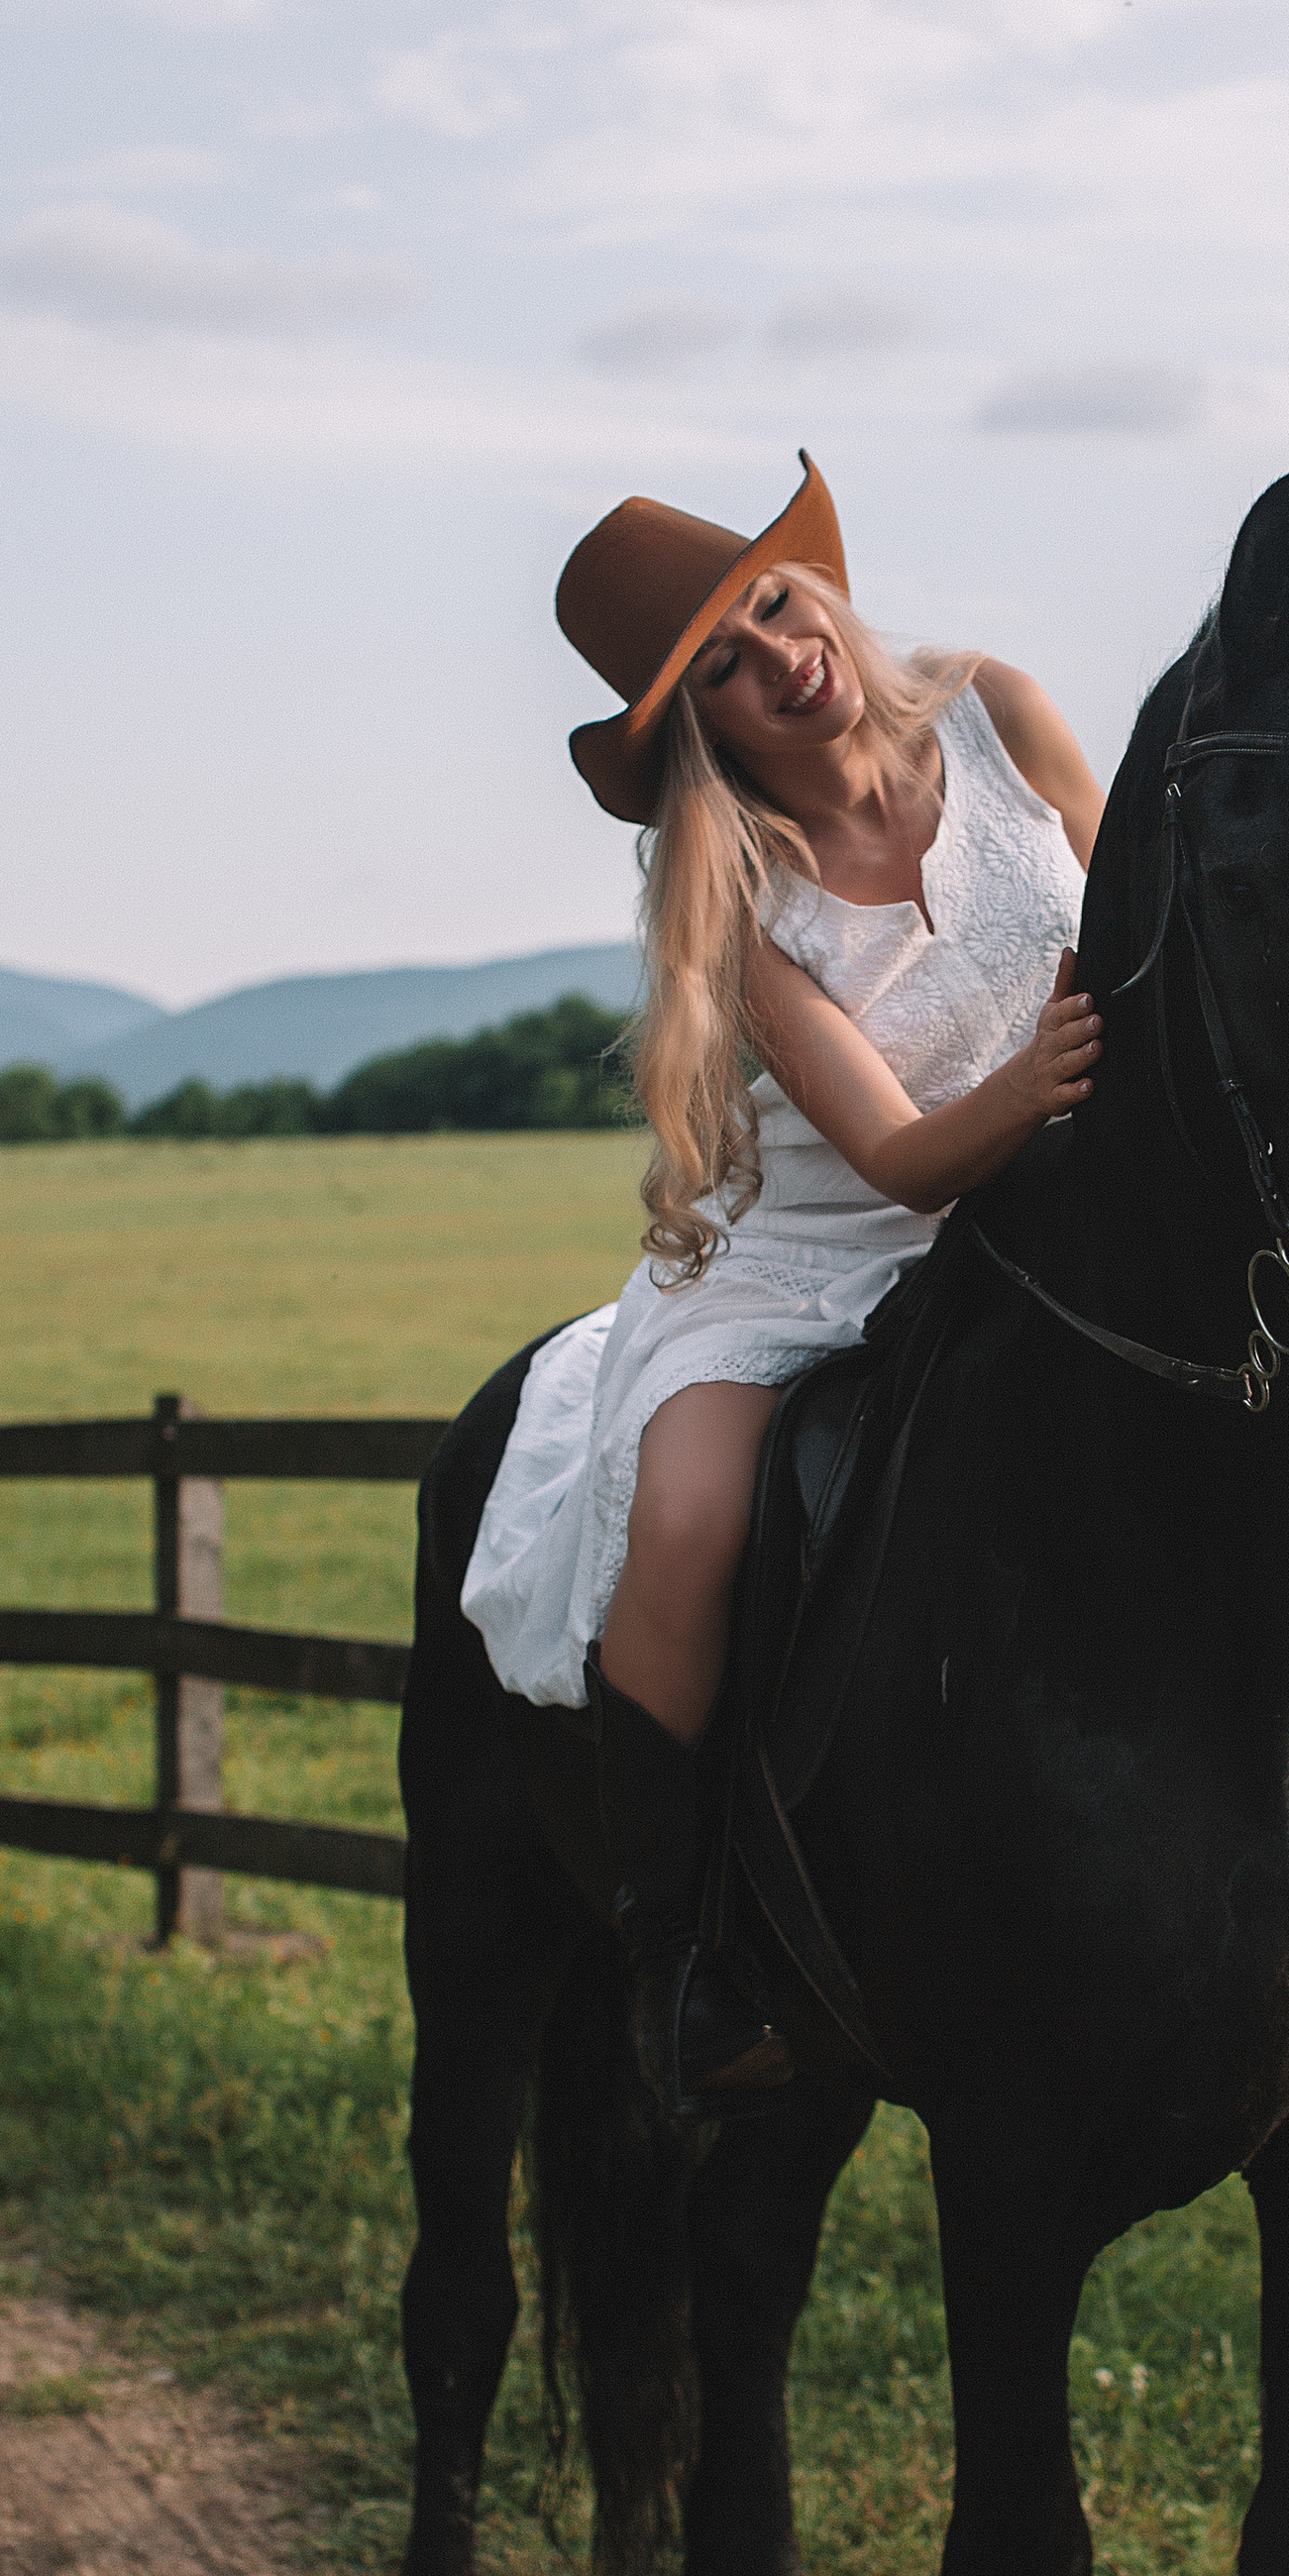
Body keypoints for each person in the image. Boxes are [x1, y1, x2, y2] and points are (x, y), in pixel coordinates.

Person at [462, 454, 1105, 2117]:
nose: (781, 653)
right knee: (686, 1512)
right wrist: (1036, 1083)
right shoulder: (734, 886)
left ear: (815, 582)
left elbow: (1149, 922)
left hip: (1050, 1207)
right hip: (819, 1248)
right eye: (727, 669)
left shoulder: (1004, 714)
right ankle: (677, 1956)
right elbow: (893, 1158)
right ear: (704, 729)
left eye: (771, 604)